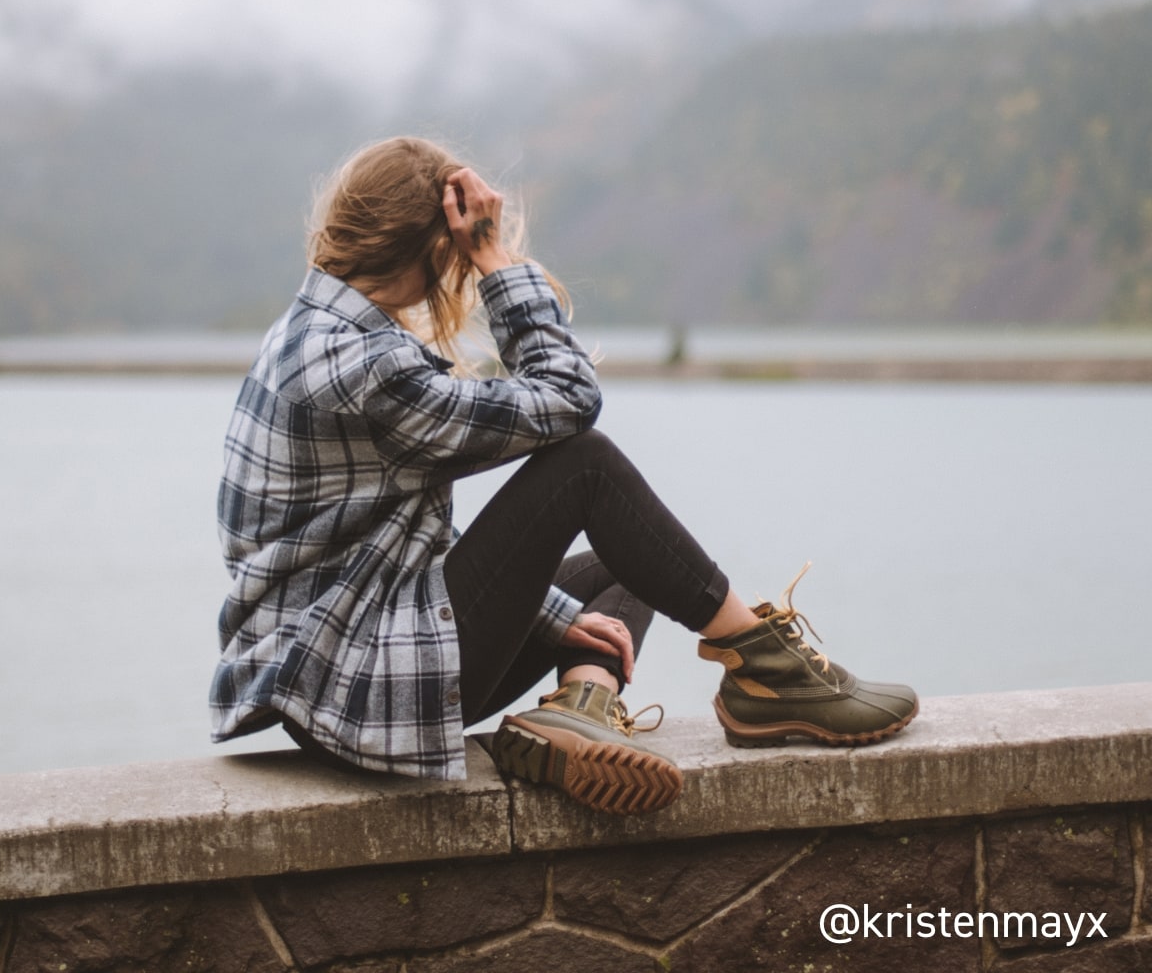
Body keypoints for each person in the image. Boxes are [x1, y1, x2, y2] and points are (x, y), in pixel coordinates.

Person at [209, 137, 917, 815]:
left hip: (345, 669)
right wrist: (495, 261)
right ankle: (769, 671)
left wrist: (558, 618)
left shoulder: (312, 333)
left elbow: (391, 542)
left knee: (628, 559)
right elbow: (572, 404)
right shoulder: (366, 365)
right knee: (586, 468)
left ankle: (580, 709)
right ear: (437, 247)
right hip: (358, 688)